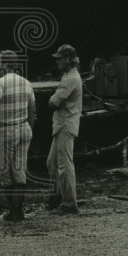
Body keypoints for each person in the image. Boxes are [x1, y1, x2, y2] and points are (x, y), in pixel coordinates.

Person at [0, 50, 35, 222]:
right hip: (24, 128)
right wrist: (29, 127)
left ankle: (14, 211)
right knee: (19, 171)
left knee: (5, 173)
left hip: (6, 130)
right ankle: (18, 211)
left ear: (6, 64)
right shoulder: (26, 83)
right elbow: (32, 110)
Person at [46, 44, 83, 214]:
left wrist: (50, 99)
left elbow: (53, 102)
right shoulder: (69, 76)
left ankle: (69, 203)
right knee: (52, 163)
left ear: (68, 59)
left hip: (65, 124)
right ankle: (59, 197)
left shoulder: (70, 78)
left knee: (64, 165)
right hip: (63, 124)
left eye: (60, 58)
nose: (57, 62)